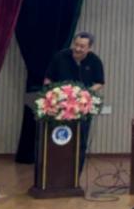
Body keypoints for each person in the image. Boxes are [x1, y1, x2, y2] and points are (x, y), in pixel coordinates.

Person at [44, 31, 105, 172]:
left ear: (89, 48)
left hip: (82, 108)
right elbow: (48, 79)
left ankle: (76, 174)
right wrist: (52, 95)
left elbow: (100, 82)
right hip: (59, 107)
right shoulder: (60, 57)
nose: (77, 48)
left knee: (80, 142)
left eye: (82, 46)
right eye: (76, 44)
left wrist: (84, 94)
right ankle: (54, 173)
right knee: (57, 139)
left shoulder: (95, 61)